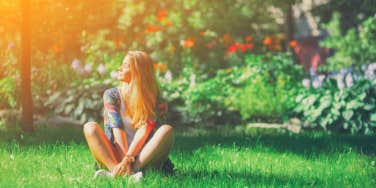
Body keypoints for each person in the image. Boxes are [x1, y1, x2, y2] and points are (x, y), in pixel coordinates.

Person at [83, 51, 175, 178]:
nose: (119, 68)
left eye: (125, 66)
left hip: (144, 155)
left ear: (138, 71)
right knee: (90, 127)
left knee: (166, 130)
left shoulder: (156, 100)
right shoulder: (111, 95)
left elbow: (144, 131)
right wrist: (123, 161)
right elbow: (117, 130)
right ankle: (116, 170)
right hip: (117, 154)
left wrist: (129, 160)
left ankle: (132, 172)